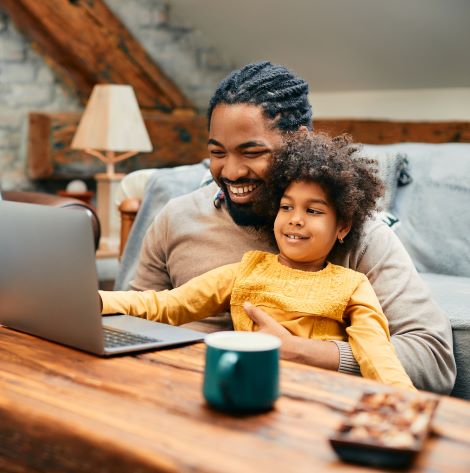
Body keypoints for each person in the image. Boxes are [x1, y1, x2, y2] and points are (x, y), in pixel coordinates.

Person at [129, 62, 455, 393]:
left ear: (298, 142)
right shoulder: (177, 216)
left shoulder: (357, 234)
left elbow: (434, 358)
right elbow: (131, 319)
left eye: (252, 152)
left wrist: (309, 354)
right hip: (176, 394)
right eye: (217, 153)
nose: (231, 172)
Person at [103, 133, 414, 389]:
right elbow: (169, 305)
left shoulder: (351, 285)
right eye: (286, 207)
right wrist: (98, 300)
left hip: (322, 395)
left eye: (314, 211)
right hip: (252, 387)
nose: (295, 220)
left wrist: (406, 402)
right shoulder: (245, 271)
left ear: (343, 226)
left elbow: (376, 352)